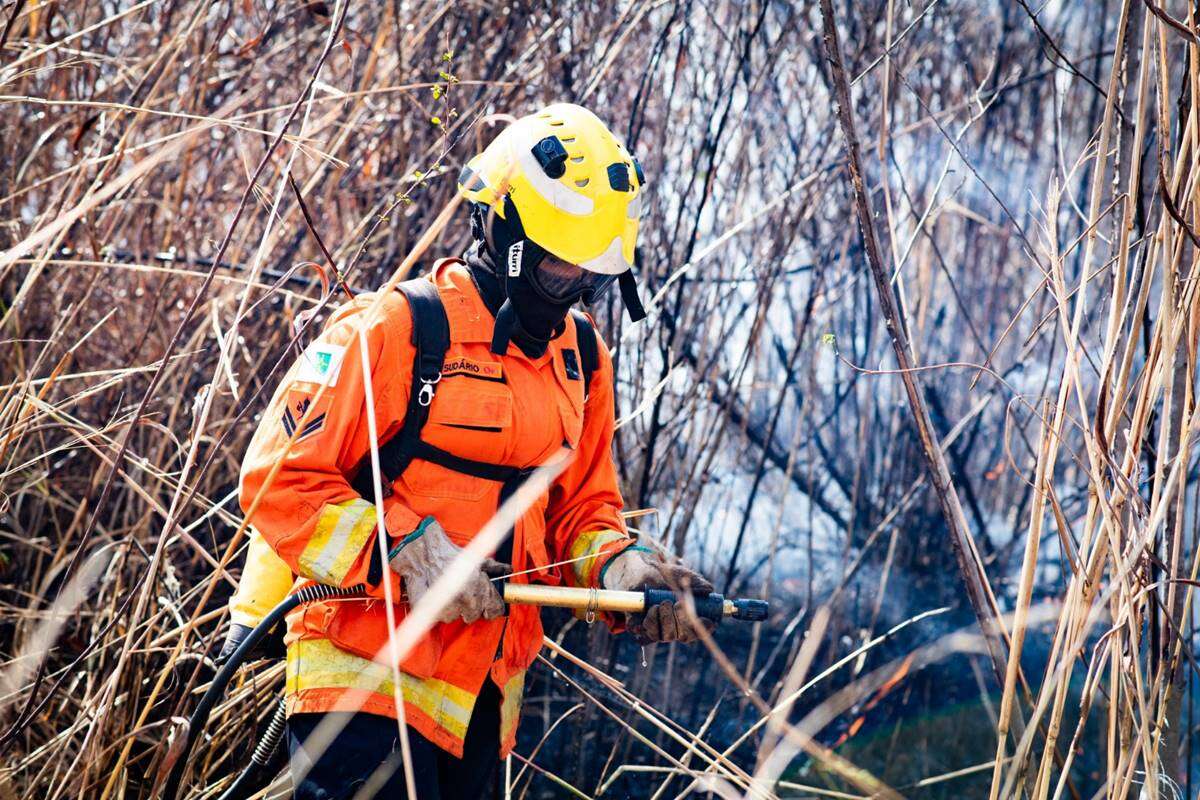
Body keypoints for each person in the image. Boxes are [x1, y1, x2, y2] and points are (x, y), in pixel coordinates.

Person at [235, 103, 714, 799]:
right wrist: (406, 550)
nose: (575, 290)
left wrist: (622, 569)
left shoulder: (583, 362)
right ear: (502, 231)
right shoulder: (401, 329)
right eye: (558, 268)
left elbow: (582, 512)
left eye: (591, 275)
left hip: (482, 703)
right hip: (363, 684)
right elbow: (280, 482)